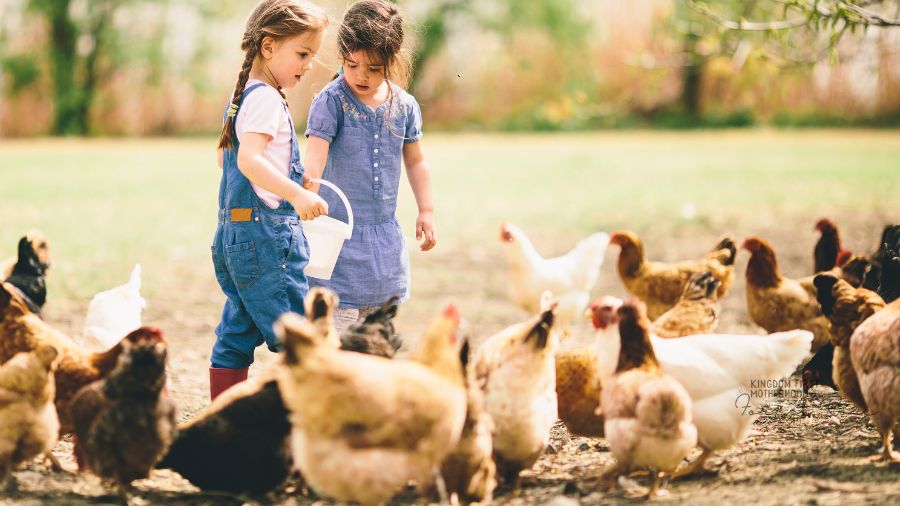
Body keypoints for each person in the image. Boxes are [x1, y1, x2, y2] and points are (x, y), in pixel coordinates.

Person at [210, 0, 329, 400]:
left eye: (311, 55)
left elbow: (248, 162)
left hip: (236, 237)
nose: (309, 64)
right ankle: (312, 419)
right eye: (303, 53)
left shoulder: (245, 93)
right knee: (299, 335)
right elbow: (249, 160)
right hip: (265, 241)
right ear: (268, 46)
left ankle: (225, 417)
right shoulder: (264, 98)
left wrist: (295, 176)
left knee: (237, 331)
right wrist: (294, 194)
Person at [303, 0, 436, 331]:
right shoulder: (331, 102)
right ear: (342, 56)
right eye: (352, 65)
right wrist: (307, 196)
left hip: (383, 246)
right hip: (337, 241)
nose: (361, 75)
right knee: (338, 337)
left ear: (392, 60)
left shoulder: (404, 106)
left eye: (374, 68)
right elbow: (314, 158)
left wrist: (426, 210)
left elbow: (416, 161)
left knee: (378, 337)